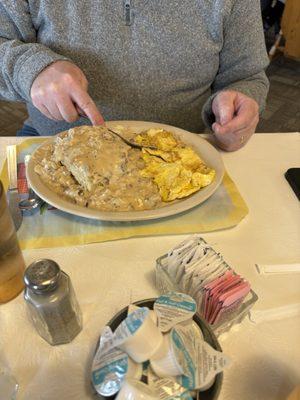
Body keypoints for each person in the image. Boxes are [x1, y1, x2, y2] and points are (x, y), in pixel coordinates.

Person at [0, 1, 269, 151]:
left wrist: (240, 106)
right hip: (52, 146)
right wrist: (32, 68)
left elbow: (247, 76)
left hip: (187, 152)